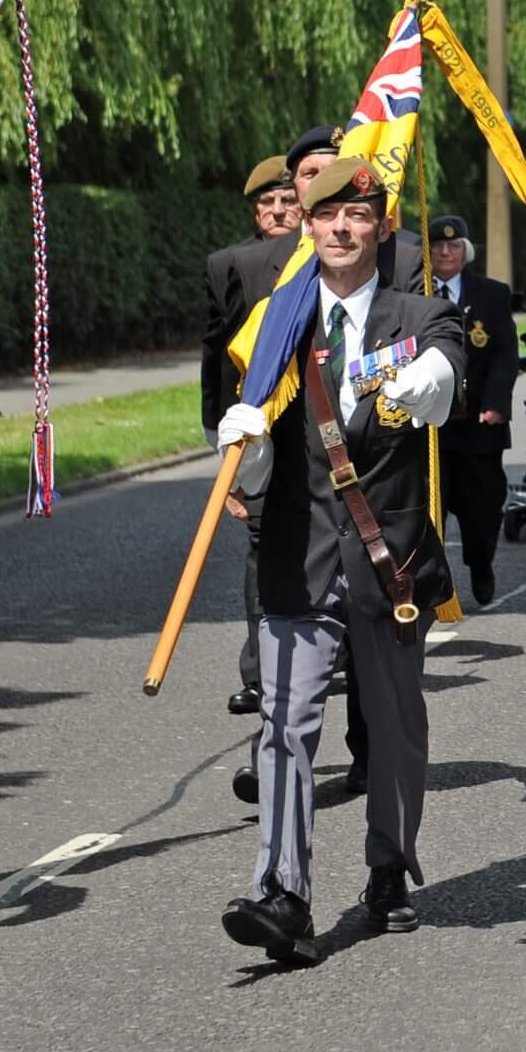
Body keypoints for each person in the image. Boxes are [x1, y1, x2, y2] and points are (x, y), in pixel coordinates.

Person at [208, 158, 464, 962]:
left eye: (359, 217)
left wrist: (429, 380)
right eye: (327, 217)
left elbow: (446, 372)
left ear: (382, 226)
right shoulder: (277, 323)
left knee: (393, 729)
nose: (342, 229)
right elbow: (250, 434)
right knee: (285, 729)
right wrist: (241, 452)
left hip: (389, 558)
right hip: (297, 553)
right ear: (307, 227)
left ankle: (389, 867)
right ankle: (282, 891)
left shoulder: (418, 312)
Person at [204, 153, 299, 718]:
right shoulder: (229, 265)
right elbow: (215, 359)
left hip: (319, 426)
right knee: (261, 551)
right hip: (257, 429)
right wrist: (220, 441)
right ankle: (260, 672)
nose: (280, 210)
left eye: (289, 200)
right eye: (269, 203)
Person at [424, 216, 519, 607]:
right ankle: (435, 580)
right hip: (429, 425)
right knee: (430, 509)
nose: (445, 252)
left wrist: (497, 403)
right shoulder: (413, 292)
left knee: (483, 510)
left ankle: (481, 563)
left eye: (454, 245)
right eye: (437, 246)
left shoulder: (492, 294)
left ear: (466, 251)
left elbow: (504, 355)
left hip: (478, 423)